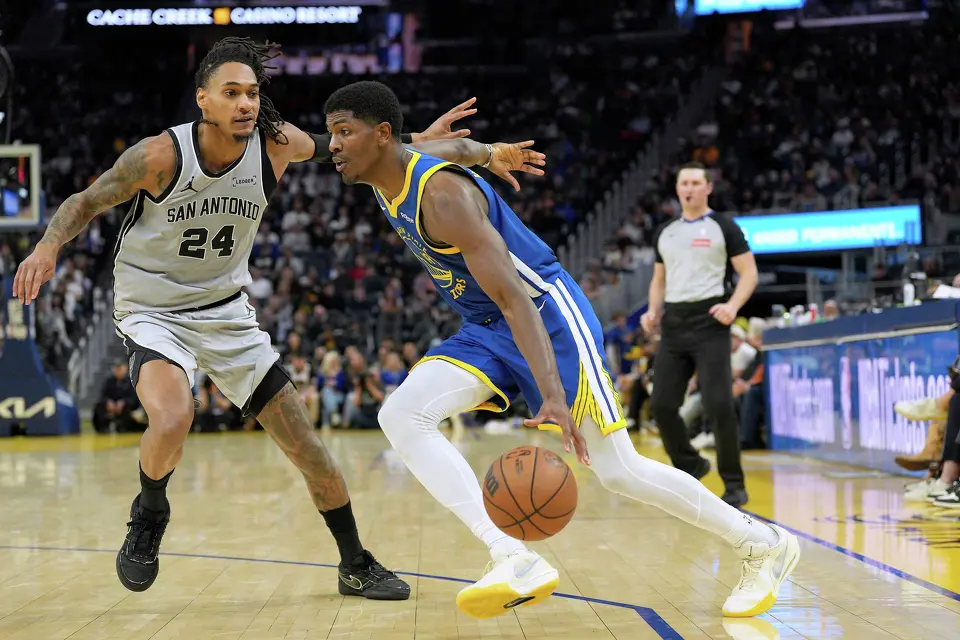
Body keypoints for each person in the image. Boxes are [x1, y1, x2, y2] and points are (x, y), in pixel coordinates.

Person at [12, 38, 538, 600]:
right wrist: (47, 245)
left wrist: (469, 149)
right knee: (172, 417)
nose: (245, 103)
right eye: (231, 93)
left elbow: (369, 149)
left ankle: (355, 563)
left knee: (312, 452)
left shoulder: (276, 145)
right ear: (203, 101)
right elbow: (84, 202)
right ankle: (150, 512)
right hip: (154, 310)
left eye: (252, 92)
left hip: (226, 314)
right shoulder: (160, 156)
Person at [322, 80, 800, 620]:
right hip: (487, 324)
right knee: (403, 413)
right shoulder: (390, 166)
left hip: (546, 315)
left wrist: (550, 394)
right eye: (332, 132)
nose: (332, 144)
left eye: (344, 132)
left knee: (618, 471)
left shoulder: (442, 196)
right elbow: (454, 148)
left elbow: (514, 297)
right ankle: (510, 555)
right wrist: (490, 152)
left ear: (382, 136)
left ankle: (760, 544)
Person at [641, 162, 759, 507]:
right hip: (675, 324)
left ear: (708, 187)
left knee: (718, 403)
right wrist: (653, 311)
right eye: (683, 184)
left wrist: (733, 306)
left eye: (695, 182)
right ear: (677, 190)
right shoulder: (666, 231)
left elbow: (749, 273)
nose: (689, 188)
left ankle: (734, 484)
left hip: (711, 321)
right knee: (661, 406)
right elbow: (659, 279)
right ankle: (690, 466)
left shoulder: (724, 226)